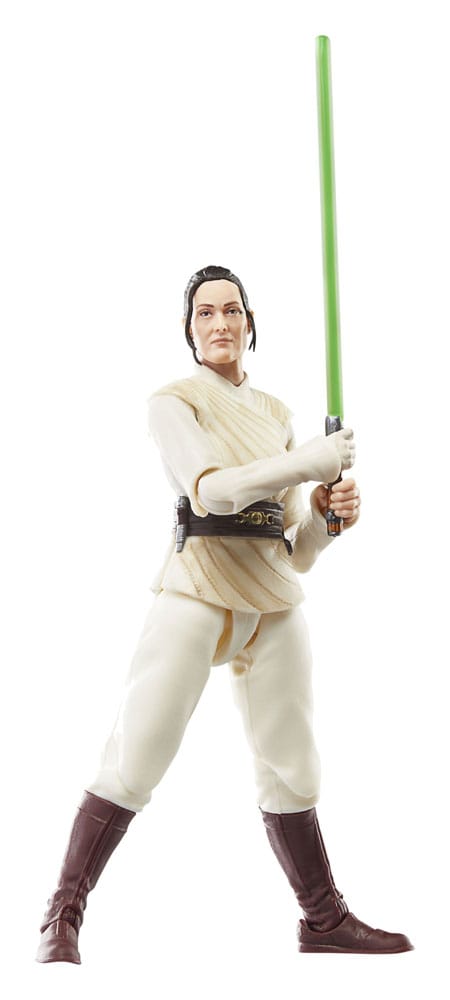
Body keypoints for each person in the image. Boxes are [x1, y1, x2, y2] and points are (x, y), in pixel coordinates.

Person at [36, 265, 413, 963]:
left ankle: (323, 919)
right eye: (205, 312)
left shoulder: (275, 414)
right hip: (198, 588)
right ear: (189, 328)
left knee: (293, 765)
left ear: (249, 322)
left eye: (231, 310)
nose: (220, 324)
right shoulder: (173, 403)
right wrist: (307, 463)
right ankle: (62, 914)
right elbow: (212, 492)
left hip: (272, 597)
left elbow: (295, 549)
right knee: (136, 756)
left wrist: (328, 519)